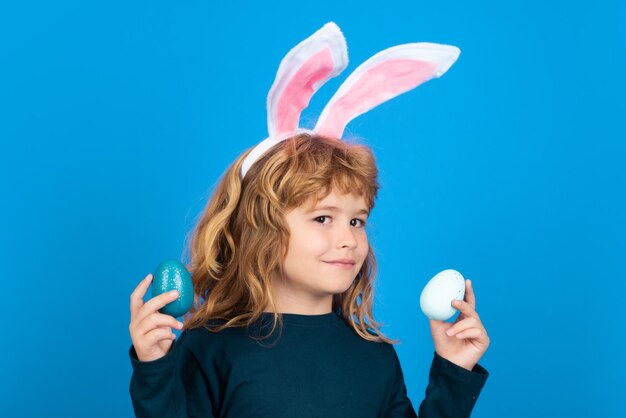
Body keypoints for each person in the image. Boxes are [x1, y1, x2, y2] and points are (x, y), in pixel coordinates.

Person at [129, 22, 490, 418]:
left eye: (357, 221)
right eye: (322, 218)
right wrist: (155, 370)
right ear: (260, 229)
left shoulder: (374, 355)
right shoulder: (210, 348)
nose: (349, 239)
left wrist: (453, 373)